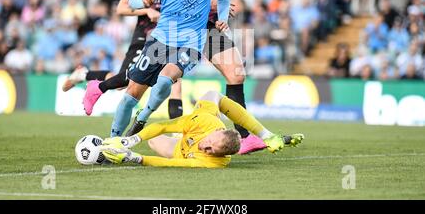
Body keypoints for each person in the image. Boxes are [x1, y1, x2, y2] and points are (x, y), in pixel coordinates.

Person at [127, 0, 267, 155]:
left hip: (207, 26)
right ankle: (126, 126)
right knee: (140, 85)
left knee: (236, 74)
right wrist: (214, 3)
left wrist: (220, 6)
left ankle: (244, 138)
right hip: (193, 28)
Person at [85, 0, 231, 138]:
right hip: (160, 40)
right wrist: (143, 1)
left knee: (165, 80)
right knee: (130, 95)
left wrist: (223, 19)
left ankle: (142, 118)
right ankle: (114, 141)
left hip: (191, 42)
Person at [61, 0, 184, 119]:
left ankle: (177, 132)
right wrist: (146, 11)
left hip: (168, 39)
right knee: (123, 81)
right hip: (145, 38)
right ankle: (85, 75)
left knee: (175, 82)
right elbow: (121, 9)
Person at [100, 90, 305, 168]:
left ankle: (260, 138)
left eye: (210, 151)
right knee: (213, 95)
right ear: (216, 132)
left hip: (181, 152)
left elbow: (169, 164)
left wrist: (133, 158)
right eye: (209, 144)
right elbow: (162, 125)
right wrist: (129, 141)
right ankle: (264, 135)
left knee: (154, 142)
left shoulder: (214, 162)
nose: (204, 148)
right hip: (199, 123)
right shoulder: (207, 122)